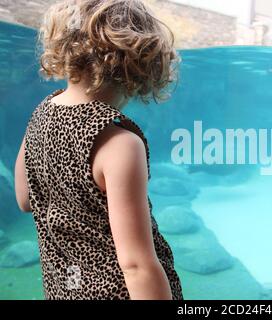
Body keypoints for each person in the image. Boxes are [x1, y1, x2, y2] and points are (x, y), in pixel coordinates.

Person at [13, 0, 183, 300]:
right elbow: (136, 265)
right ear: (140, 64)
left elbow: (26, 199)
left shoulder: (40, 114)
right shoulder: (119, 144)